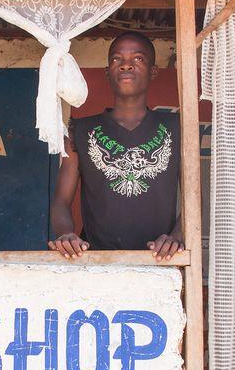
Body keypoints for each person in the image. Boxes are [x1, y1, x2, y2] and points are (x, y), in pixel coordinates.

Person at [48, 31, 183, 261]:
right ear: (107, 73)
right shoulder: (79, 131)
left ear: (153, 71)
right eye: (116, 59)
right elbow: (61, 201)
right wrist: (66, 234)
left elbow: (194, 198)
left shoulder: (177, 128)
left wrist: (177, 236)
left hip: (161, 259)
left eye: (137, 59)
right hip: (97, 263)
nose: (126, 66)